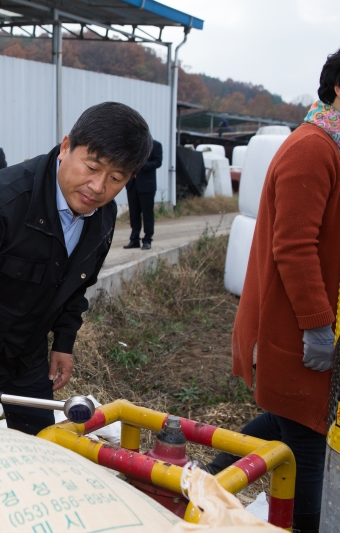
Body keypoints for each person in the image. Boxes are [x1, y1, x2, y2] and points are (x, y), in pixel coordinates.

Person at [0, 102, 153, 435]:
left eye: (115, 178)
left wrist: (63, 343)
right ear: (66, 147)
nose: (98, 187)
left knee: (41, 446)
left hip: (25, 350)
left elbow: (77, 287)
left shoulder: (102, 216)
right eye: (92, 167)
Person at [205, 49, 340, 533]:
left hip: (298, 326)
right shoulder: (314, 148)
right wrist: (318, 326)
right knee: (303, 441)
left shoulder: (330, 144)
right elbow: (295, 246)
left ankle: (199, 484)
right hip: (293, 330)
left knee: (281, 425)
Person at [123, 139, 162, 250]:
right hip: (132, 185)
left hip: (146, 185)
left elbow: (158, 162)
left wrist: (141, 166)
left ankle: (147, 240)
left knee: (147, 214)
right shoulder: (133, 145)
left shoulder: (156, 145)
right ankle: (134, 240)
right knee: (134, 214)